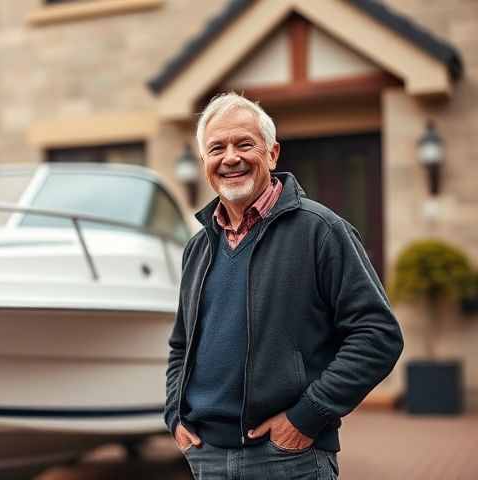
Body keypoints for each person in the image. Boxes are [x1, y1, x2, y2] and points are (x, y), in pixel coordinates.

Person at [165, 92, 403, 479]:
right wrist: (175, 415)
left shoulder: (322, 232)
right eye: (216, 148)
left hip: (288, 458)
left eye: (245, 144)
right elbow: (180, 345)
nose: (230, 157)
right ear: (204, 162)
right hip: (206, 457)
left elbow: (378, 335)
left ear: (272, 154)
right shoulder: (199, 246)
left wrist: (308, 416)